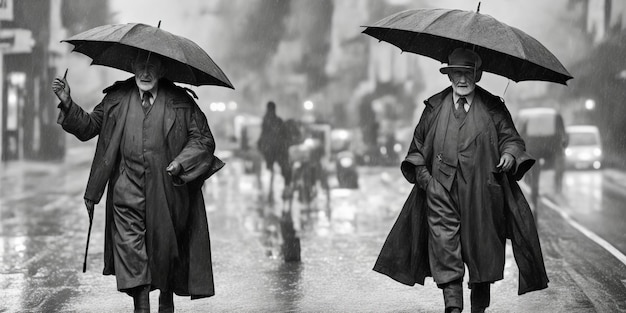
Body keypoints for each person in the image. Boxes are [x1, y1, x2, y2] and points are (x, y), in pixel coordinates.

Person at [373, 48, 548, 313]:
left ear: (477, 75)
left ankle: (478, 309)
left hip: (482, 194)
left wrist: (510, 156)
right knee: (445, 250)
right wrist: (427, 182)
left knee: (483, 255)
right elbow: (417, 151)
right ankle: (453, 308)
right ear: (449, 76)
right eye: (457, 74)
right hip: (441, 193)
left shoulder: (492, 107)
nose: (462, 80)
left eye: (467, 73)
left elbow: (511, 139)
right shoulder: (433, 108)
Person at [52, 51, 221, 313]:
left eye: (152, 67)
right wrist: (68, 103)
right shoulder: (116, 99)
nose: (145, 72)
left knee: (165, 252)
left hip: (168, 193)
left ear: (162, 70)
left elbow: (203, 140)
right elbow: (88, 127)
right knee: (132, 253)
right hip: (125, 193)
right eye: (140, 65)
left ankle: (166, 299)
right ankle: (141, 307)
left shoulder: (181, 103)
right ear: (131, 65)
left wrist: (181, 162)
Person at [257, 101, 291, 199]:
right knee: (282, 167)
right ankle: (283, 187)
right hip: (276, 148)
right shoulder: (275, 120)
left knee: (278, 167)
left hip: (274, 148)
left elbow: (265, 134)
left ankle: (279, 188)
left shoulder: (268, 120)